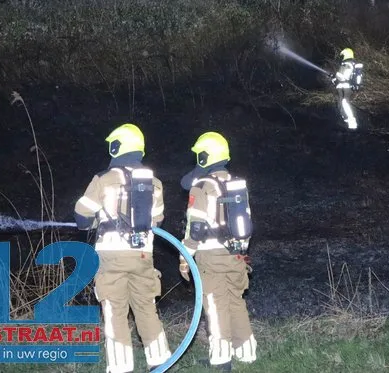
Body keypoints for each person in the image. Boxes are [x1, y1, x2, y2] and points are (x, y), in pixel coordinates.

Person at [74, 123, 171, 373]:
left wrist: (98, 220)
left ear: (117, 147)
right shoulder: (155, 183)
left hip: (111, 256)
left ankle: (121, 367)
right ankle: (160, 361)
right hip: (142, 254)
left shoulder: (104, 179)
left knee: (114, 309)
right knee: (146, 306)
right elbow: (158, 220)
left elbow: (82, 216)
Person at [179, 132, 256, 372]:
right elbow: (247, 223)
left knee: (215, 304)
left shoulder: (202, 186)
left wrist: (184, 257)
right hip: (237, 254)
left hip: (210, 256)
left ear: (205, 155)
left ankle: (221, 358)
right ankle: (246, 352)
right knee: (235, 301)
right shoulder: (237, 184)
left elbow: (196, 228)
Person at [330, 48, 363, 130]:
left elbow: (344, 76)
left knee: (345, 102)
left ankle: (352, 121)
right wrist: (333, 78)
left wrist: (336, 75)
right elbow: (339, 79)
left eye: (343, 55)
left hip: (346, 86)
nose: (342, 57)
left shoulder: (349, 64)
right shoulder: (344, 64)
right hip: (341, 86)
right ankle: (347, 121)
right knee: (340, 104)